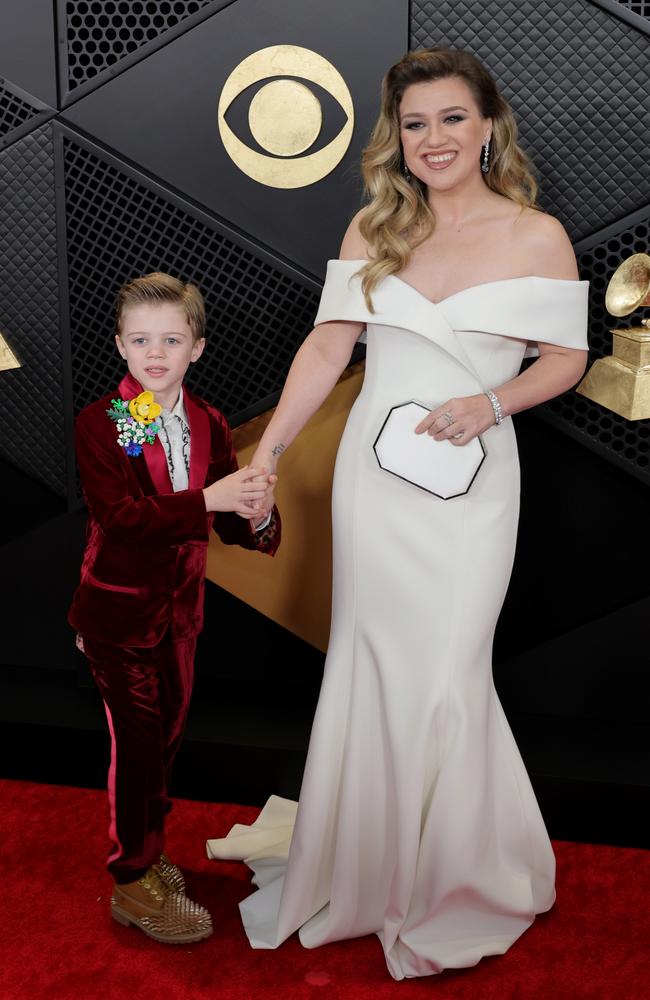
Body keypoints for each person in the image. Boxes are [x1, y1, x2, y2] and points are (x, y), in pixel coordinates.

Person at [207, 48, 589, 978]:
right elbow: (327, 346)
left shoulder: (538, 236)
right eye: (416, 124)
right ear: (398, 140)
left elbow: (565, 358)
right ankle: (370, 867)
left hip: (471, 483)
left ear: (488, 126)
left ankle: (456, 877)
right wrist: (272, 453)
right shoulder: (373, 226)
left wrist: (492, 404)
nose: (435, 139)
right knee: (374, 662)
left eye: (452, 119)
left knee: (449, 669)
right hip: (371, 487)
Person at [69, 272, 280, 944]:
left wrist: (260, 514)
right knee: (134, 748)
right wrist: (212, 501)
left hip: (181, 617)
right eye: (140, 340)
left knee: (163, 744)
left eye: (170, 339)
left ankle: (147, 846)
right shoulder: (108, 421)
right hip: (118, 619)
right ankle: (131, 881)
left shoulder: (208, 420)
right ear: (120, 347)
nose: (154, 353)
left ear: (198, 347)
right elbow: (123, 517)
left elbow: (227, 519)